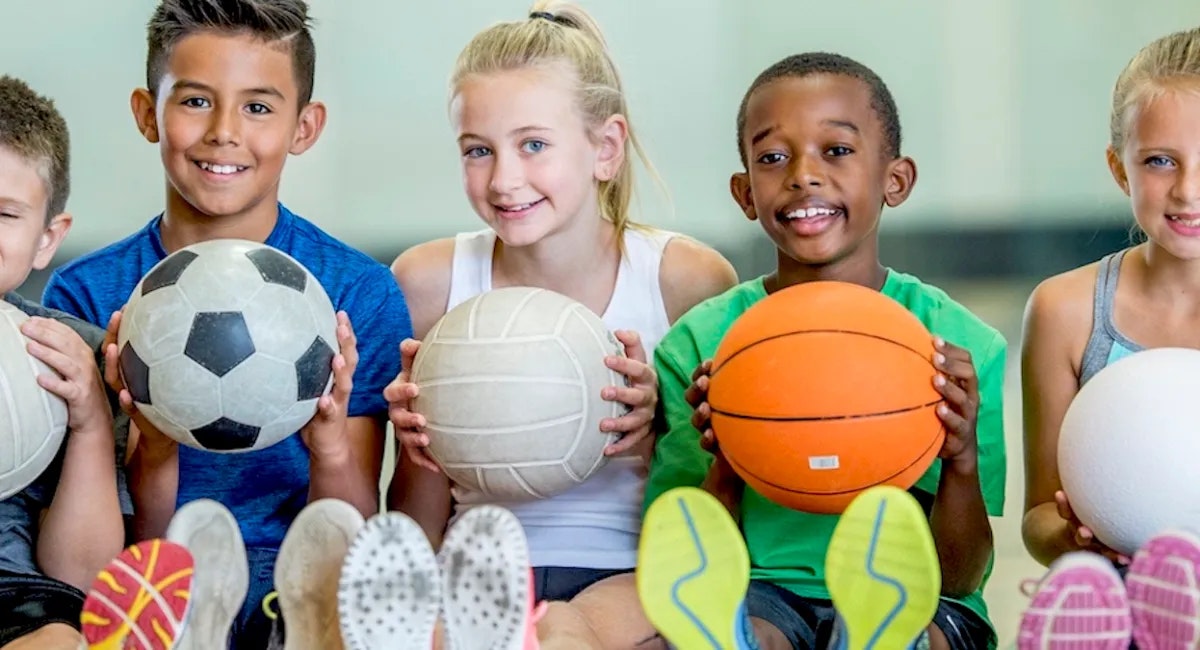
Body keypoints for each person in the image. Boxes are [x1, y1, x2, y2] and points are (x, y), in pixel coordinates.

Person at [40, 1, 411, 646]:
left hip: (303, 584)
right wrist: (150, 440)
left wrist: (325, 437)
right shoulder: (85, 293)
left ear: (305, 125)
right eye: (195, 101)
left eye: (259, 107)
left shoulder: (357, 291)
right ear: (145, 113)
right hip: (152, 575)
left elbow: (350, 523)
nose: (224, 132)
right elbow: (107, 540)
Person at [383, 2, 737, 646]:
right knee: (415, 628)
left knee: (574, 635)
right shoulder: (429, 281)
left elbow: (720, 506)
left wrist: (659, 430)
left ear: (605, 149)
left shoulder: (685, 280)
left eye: (534, 145)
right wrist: (423, 454)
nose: (504, 179)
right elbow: (414, 526)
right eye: (478, 150)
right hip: (476, 569)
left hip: (635, 571)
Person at [637, 52, 1008, 650]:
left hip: (916, 593)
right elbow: (686, 547)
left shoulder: (958, 345)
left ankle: (883, 633)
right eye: (772, 158)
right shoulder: (703, 345)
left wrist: (959, 459)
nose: (802, 175)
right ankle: (733, 639)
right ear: (745, 193)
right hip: (759, 589)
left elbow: (959, 576)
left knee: (927, 627)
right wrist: (730, 460)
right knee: (728, 631)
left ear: (896, 179)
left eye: (836, 150)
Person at [1018, 26, 1200, 649]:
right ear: (1119, 167)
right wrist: (1079, 541)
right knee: (1099, 606)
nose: (1187, 190)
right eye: (1159, 160)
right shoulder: (1066, 311)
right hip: (1114, 588)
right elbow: (1040, 518)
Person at [0, 75, 127, 650]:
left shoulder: (73, 355)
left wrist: (91, 422)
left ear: (47, 239)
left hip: (17, 600)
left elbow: (82, 577)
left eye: (4, 215)